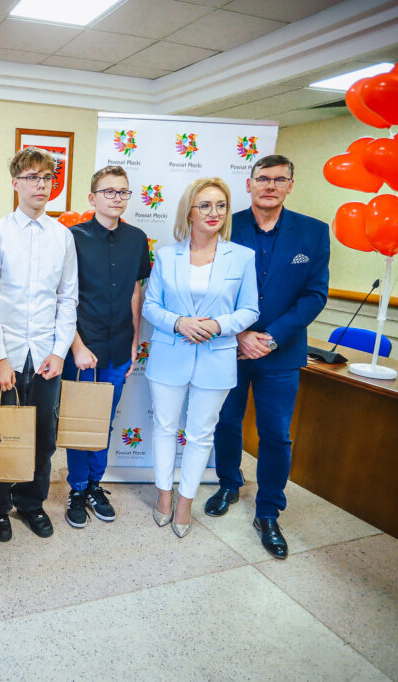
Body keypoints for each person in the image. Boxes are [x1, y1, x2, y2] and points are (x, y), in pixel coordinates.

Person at [207, 155, 330, 560]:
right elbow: (210, 286)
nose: (270, 186)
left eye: (279, 179)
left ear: (290, 185)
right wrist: (239, 333)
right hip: (231, 347)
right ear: (249, 183)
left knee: (276, 434)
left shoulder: (313, 232)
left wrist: (271, 338)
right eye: (263, 178)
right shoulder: (225, 225)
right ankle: (229, 483)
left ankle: (269, 511)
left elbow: (314, 295)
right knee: (227, 422)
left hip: (281, 352)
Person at [142, 177, 258, 539]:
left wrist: (218, 325)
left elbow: (250, 309)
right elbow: (150, 306)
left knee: (200, 434)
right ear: (189, 212)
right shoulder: (166, 255)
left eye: (221, 205)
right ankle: (164, 494)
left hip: (216, 357)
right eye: (205, 205)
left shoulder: (242, 257)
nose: (214, 212)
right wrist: (179, 322)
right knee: (164, 427)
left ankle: (185, 501)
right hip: (169, 354)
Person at [0, 146, 77, 541]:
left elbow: (67, 298)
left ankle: (31, 503)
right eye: (32, 177)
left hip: (47, 355)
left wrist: (60, 351)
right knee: (1, 435)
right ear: (15, 183)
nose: (41, 185)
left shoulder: (62, 236)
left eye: (47, 178)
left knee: (43, 437)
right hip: (6, 356)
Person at [64, 166, 150, 529]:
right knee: (80, 421)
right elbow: (63, 297)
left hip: (118, 347)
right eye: (109, 191)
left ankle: (95, 485)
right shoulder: (72, 238)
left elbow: (135, 292)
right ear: (92, 197)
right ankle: (77, 488)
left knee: (103, 422)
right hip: (83, 349)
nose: (116, 198)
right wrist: (76, 346)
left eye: (123, 192)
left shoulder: (137, 239)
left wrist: (134, 342)